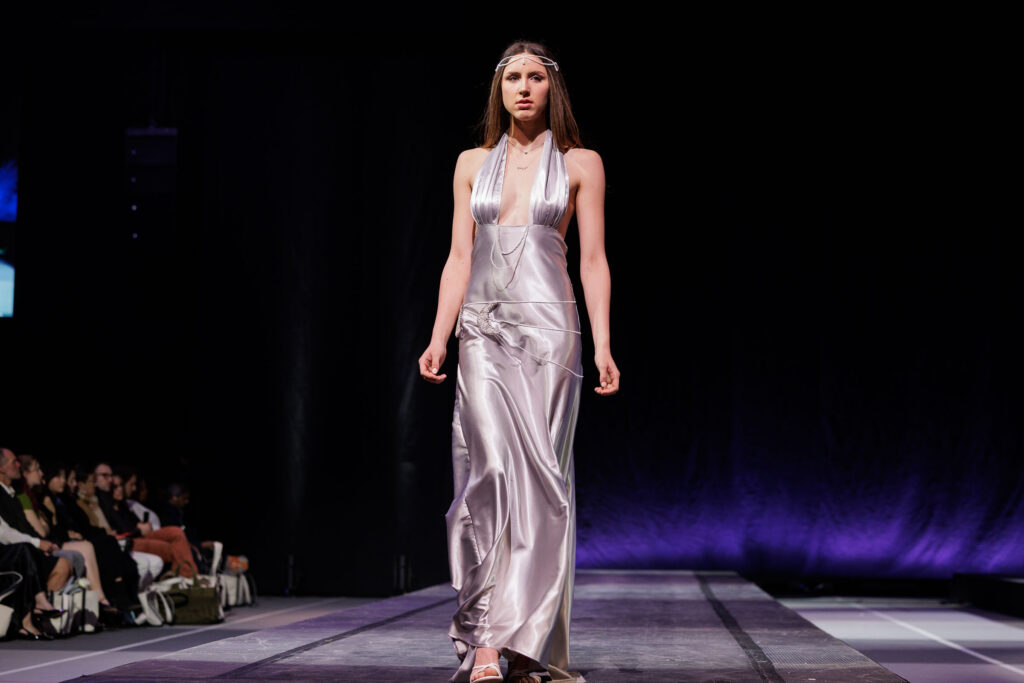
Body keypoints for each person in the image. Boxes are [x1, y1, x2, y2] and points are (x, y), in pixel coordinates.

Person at [418, 41, 619, 683]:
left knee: (544, 486)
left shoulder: (581, 163)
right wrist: (438, 335)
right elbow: (457, 256)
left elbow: (592, 260)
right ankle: (483, 639)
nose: (524, 88)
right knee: (488, 473)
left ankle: (529, 641)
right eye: (513, 78)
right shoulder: (471, 163)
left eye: (535, 77)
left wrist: (606, 342)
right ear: (498, 90)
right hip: (481, 329)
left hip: (551, 331)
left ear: (551, 88)